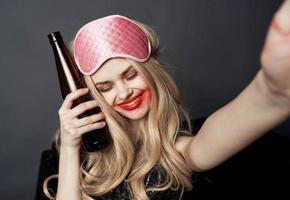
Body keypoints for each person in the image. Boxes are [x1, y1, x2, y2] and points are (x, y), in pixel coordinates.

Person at [41, 1, 290, 200]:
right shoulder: (81, 161)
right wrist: (72, 146)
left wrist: (271, 90)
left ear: (152, 72)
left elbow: (217, 135)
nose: (125, 92)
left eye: (130, 75)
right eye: (105, 87)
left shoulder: (179, 152)